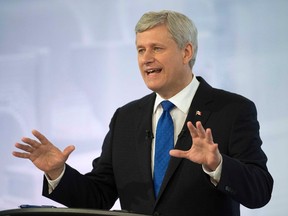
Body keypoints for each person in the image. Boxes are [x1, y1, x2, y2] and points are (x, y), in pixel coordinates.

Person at [13, 10, 273, 216]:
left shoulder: (232, 110)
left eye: (156, 48)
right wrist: (58, 173)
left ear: (186, 52)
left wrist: (218, 165)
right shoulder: (126, 118)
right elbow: (98, 197)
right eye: (140, 50)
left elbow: (260, 192)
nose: (145, 58)